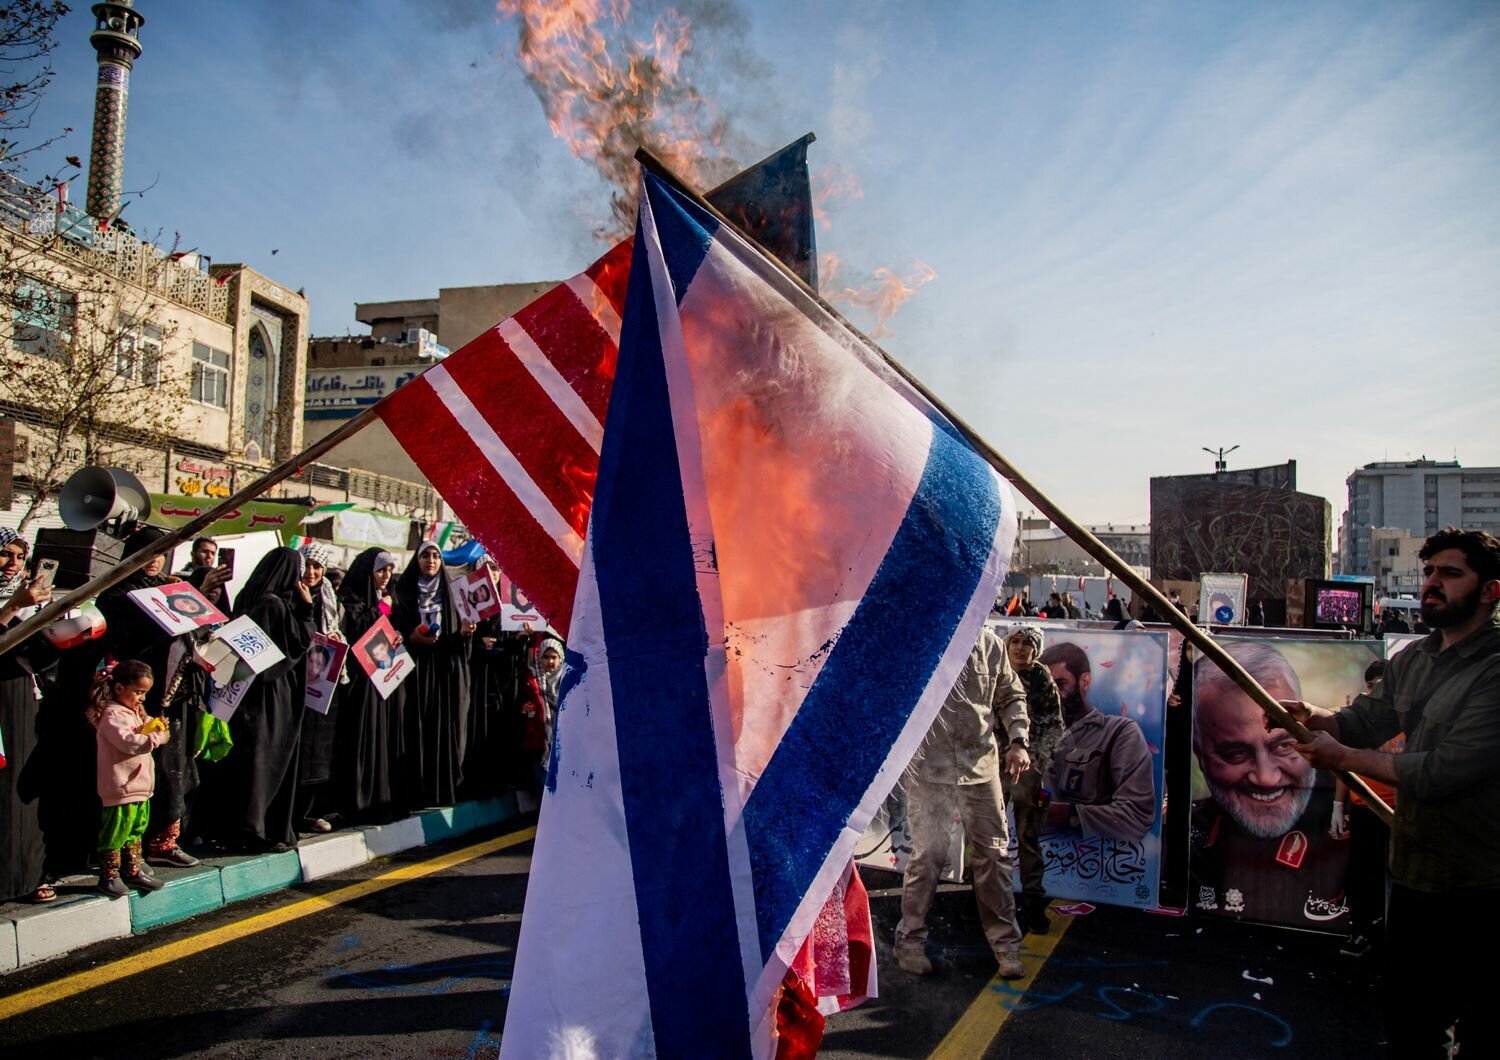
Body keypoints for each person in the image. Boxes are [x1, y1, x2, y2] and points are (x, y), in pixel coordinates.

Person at [1289, 528, 1500, 1058]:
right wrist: (1315, 718)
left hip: (1483, 887)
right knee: (1411, 1023)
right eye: (1429, 572)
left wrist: (1342, 758)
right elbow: (1363, 720)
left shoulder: (1495, 670)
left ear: (1491, 591)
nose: (1432, 584)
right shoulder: (1412, 659)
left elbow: (1443, 771)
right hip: (1414, 877)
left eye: (1450, 574)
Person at [894, 626, 1030, 980]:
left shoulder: (990, 644)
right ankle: (909, 941)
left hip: (980, 767)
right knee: (928, 857)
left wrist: (1018, 739)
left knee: (994, 856)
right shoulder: (923, 635)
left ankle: (1006, 946)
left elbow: (1011, 694)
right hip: (929, 769)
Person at [1190, 641, 1348, 926]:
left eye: (1283, 746)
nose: (1266, 777)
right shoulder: (1191, 837)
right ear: (1200, 755)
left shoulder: (1345, 824)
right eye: (1236, 753)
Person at [209, 547, 314, 852]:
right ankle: (258, 830)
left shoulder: (248, 598)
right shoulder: (274, 606)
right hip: (272, 696)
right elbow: (299, 642)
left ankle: (246, 827)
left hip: (246, 694)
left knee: (250, 760)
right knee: (265, 761)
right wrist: (307, 610)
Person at [1040, 642, 1154, 842]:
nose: (1049, 694)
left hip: (1092, 862)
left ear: (1084, 681)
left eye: (1059, 684)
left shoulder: (1118, 733)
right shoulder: (1025, 734)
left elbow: (1135, 816)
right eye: (1043, 686)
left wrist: (1066, 814)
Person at [394, 542, 475, 808]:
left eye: (435, 556)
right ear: (416, 561)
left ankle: (438, 790)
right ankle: (413, 790)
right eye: (425, 555)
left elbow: (457, 637)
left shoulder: (451, 595)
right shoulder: (402, 593)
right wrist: (410, 636)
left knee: (439, 728)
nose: (430, 560)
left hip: (441, 671)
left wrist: (463, 635)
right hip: (413, 670)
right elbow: (391, 626)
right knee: (413, 726)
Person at [0, 530, 56, 902]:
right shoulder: (15, 602)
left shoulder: (27, 601)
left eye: (20, 557)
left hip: (23, 701)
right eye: (5, 555)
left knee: (23, 792)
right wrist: (10, 609)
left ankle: (28, 875)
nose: (13, 565)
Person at [1328, 659, 1395, 959]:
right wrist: (1338, 806)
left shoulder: (1406, 719)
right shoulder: (1359, 718)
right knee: (1362, 874)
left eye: (1382, 685)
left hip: (1395, 812)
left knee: (1391, 877)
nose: (1375, 690)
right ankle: (1361, 932)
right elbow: (1345, 763)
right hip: (1364, 806)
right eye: (1371, 686)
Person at [1000, 625, 1064, 935]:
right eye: (1016, 641)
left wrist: (1036, 761)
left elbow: (1054, 724)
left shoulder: (1041, 678)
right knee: (986, 838)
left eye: (1027, 644)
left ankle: (1033, 905)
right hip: (992, 767)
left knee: (1027, 837)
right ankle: (980, 900)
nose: (1021, 649)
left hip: (1027, 770)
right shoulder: (995, 670)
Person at [335, 549, 405, 825]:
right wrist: (381, 610)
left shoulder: (383, 598)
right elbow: (356, 629)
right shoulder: (351, 597)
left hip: (381, 678)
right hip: (359, 683)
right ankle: (356, 802)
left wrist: (395, 635)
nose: (386, 577)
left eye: (389, 571)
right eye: (380, 571)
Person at [88, 660, 169, 897]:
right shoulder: (112, 716)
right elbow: (130, 743)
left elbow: (144, 728)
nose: (142, 698)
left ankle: (132, 869)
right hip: (120, 787)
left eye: (145, 693)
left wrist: (154, 726)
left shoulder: (133, 713)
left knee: (136, 827)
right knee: (116, 831)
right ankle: (109, 875)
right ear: (120, 688)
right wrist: (157, 738)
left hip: (139, 786)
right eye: (138, 692)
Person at [294, 542, 346, 835]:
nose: (312, 572)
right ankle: (293, 813)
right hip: (296, 684)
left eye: (317, 566)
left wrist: (336, 637)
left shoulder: (328, 597)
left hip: (323, 683)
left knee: (319, 751)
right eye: (308, 565)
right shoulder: (292, 594)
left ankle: (310, 811)